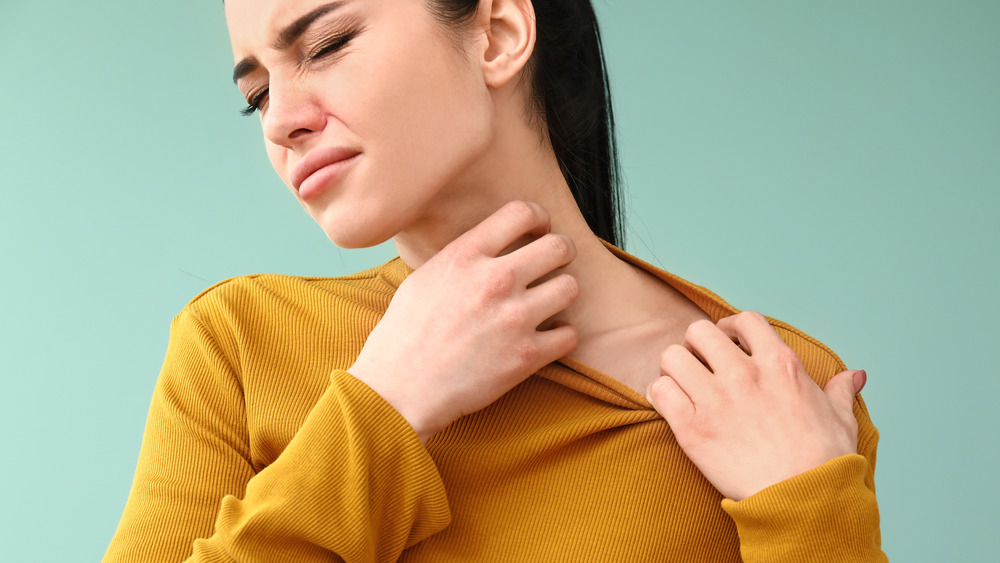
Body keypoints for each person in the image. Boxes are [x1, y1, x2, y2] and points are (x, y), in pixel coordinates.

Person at [105, 0, 886, 560]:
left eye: (329, 42)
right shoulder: (237, 345)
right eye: (258, 95)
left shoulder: (776, 390)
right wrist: (386, 406)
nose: (281, 120)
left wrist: (810, 512)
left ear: (498, 33)